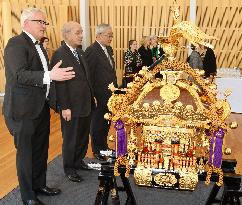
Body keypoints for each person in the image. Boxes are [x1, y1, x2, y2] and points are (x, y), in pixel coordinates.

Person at [3, 7, 75, 205]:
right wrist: (50, 75)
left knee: (41, 150)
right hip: (22, 110)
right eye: (40, 22)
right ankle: (27, 196)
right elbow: (19, 75)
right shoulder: (16, 44)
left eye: (45, 22)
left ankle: (39, 185)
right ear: (26, 23)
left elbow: (45, 79)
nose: (44, 26)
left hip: (40, 108)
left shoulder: (40, 46)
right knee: (26, 154)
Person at [50, 21, 93, 183]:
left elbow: (86, 78)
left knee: (82, 136)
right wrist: (64, 106)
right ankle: (69, 168)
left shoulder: (80, 52)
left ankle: (78, 161)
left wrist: (91, 95)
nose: (81, 35)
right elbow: (59, 84)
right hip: (71, 106)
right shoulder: (60, 54)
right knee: (71, 138)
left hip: (84, 103)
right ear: (66, 35)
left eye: (82, 32)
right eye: (77, 32)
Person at [84, 23, 117, 161]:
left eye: (111, 35)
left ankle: (104, 147)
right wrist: (91, 95)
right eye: (108, 35)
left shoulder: (108, 49)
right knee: (97, 124)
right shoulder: (92, 50)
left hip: (109, 95)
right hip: (98, 95)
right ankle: (97, 150)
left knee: (106, 123)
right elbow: (88, 75)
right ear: (98, 35)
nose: (111, 38)